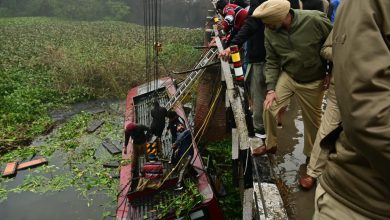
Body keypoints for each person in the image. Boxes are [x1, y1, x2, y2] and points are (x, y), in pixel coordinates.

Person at [314, 0, 390, 219]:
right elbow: (368, 116)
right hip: (363, 200)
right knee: (327, 125)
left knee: (318, 125)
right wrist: (336, 58)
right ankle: (313, 170)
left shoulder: (317, 18)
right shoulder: (362, 6)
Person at [252, 0, 332, 156]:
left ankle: (312, 157)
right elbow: (272, 61)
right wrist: (270, 89)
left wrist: (330, 71)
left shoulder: (314, 20)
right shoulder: (270, 32)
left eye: (269, 23)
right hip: (289, 76)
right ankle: (270, 145)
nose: (266, 27)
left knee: (313, 124)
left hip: (314, 79)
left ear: (281, 17)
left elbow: (335, 43)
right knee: (269, 107)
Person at [299, 29, 340, 189]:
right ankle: (313, 172)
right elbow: (325, 49)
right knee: (328, 128)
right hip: (341, 87)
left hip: (378, 92)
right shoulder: (345, 17)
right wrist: (347, 53)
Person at [172, 123, 195, 190]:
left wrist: (175, 143)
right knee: (181, 168)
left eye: (182, 125)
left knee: (182, 170)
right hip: (183, 155)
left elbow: (182, 136)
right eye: (179, 126)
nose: (181, 126)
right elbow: (180, 141)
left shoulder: (187, 133)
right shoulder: (178, 135)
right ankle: (195, 174)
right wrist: (176, 147)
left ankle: (179, 185)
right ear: (177, 129)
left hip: (188, 154)